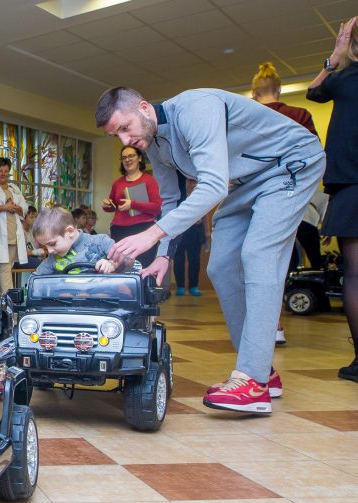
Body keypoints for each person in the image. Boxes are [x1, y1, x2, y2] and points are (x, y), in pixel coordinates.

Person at [96, 86, 324, 414]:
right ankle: (263, 370)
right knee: (221, 266)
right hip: (246, 182)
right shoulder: (156, 145)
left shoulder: (194, 110)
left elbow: (214, 185)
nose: (124, 140)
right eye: (115, 135)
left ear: (144, 108)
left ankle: (253, 381)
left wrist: (151, 235)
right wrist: (163, 254)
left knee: (258, 254)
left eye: (124, 127)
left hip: (290, 162)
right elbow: (173, 200)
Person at [251, 61, 321, 345]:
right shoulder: (300, 115)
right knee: (279, 261)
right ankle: (273, 324)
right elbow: (314, 157)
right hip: (287, 198)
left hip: (254, 197)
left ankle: (269, 325)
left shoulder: (250, 118)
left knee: (256, 263)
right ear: (279, 89)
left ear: (254, 92)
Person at [307, 16, 358, 382]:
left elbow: (313, 91)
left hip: (351, 186)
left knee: (355, 274)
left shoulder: (345, 78)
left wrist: (334, 58)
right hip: (350, 186)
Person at [102, 146, 162, 268]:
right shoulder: (117, 183)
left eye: (131, 156)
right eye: (124, 157)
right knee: (118, 266)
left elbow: (157, 207)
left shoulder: (149, 180)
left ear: (139, 158)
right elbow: (113, 206)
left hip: (143, 229)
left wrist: (133, 204)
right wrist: (107, 205)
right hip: (119, 229)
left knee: (142, 267)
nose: (127, 160)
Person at [0, 157, 28, 292]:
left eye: (6, 171)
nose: (3, 174)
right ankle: (10, 303)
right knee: (4, 270)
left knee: (3, 270)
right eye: (0, 171)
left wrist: (15, 207)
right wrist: (4, 207)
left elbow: (24, 208)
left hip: (13, 234)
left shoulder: (14, 188)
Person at [31, 206, 120, 275]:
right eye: (45, 246)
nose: (49, 250)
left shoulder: (101, 242)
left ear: (70, 231)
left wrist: (112, 263)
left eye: (53, 244)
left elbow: (128, 262)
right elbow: (35, 279)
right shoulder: (52, 259)